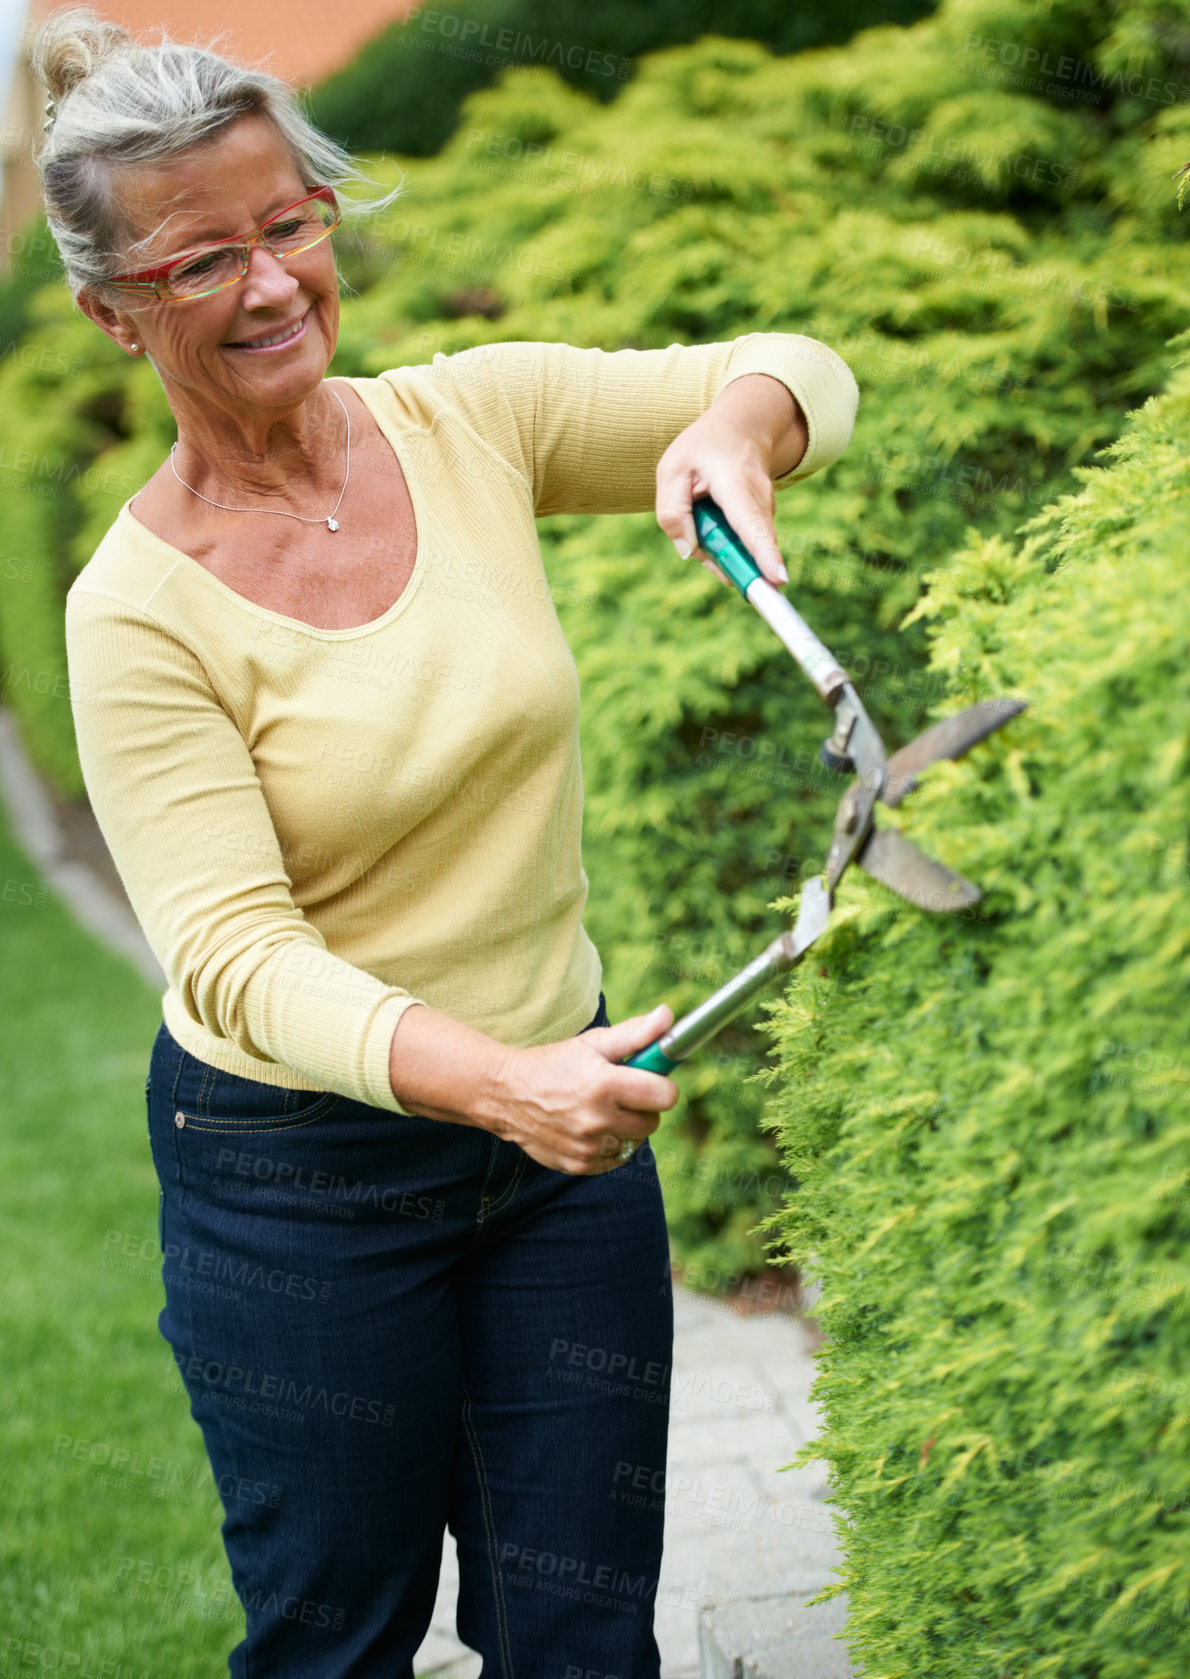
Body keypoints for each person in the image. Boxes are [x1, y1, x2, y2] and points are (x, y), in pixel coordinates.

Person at [36, 8, 859, 1675]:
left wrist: (738, 424)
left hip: (553, 1172)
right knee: (337, 1634)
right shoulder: (133, 613)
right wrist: (505, 1084)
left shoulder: (467, 422)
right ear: (112, 313)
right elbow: (234, 956)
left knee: (583, 1632)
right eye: (200, 265)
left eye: (289, 227)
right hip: (298, 1181)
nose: (272, 287)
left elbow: (796, 365)